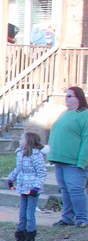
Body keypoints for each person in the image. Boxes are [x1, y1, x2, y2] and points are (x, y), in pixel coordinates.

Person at [46, 86, 88, 227]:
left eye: (69, 96)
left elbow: (86, 139)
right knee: (65, 190)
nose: (66, 98)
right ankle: (67, 218)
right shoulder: (64, 113)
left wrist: (82, 160)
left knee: (75, 190)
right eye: (66, 96)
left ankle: (83, 218)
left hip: (74, 161)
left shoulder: (85, 115)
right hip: (60, 159)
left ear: (78, 98)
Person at [7, 130, 47, 241]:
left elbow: (42, 172)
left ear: (28, 141)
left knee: (30, 215)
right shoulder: (20, 153)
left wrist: (36, 187)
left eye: (22, 139)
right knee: (22, 214)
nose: (20, 141)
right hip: (23, 187)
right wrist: (11, 178)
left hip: (32, 189)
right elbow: (18, 168)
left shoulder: (36, 155)